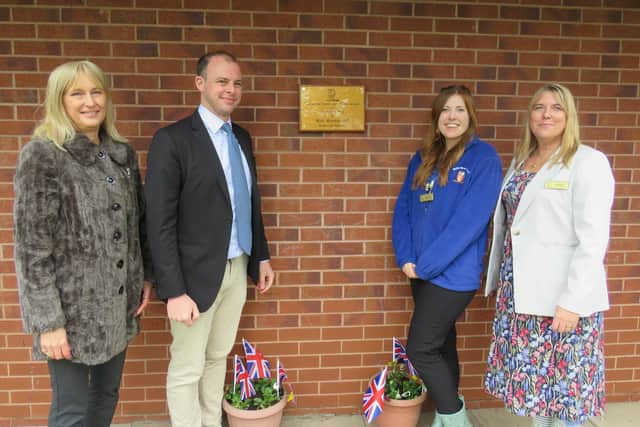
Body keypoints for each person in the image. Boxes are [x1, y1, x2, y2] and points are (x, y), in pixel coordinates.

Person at [13, 60, 152, 427]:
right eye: (77, 93)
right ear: (59, 101)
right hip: (70, 316)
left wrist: (143, 281)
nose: (90, 101)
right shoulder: (44, 156)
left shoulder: (122, 155)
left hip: (117, 306)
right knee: (71, 412)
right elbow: (32, 251)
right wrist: (48, 323)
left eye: (96, 91)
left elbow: (136, 226)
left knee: (105, 398)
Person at [145, 51, 274, 427]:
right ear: (200, 83)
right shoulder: (172, 140)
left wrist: (260, 257)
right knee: (187, 366)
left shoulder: (242, 139)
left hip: (236, 268)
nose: (231, 90)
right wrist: (173, 290)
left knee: (218, 357)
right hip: (192, 277)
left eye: (237, 83)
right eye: (222, 81)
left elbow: (248, 203)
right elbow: (159, 221)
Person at [483, 83, 615, 427]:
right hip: (522, 294)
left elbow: (593, 239)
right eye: (539, 107)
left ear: (569, 117)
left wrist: (572, 301)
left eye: (557, 108)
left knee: (567, 393)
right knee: (537, 391)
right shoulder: (522, 161)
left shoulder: (587, 162)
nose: (546, 114)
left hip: (563, 298)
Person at [392, 85, 503, 427]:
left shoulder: (483, 158)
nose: (451, 117)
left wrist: (426, 264)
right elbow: (404, 210)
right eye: (445, 110)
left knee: (421, 348)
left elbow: (469, 223)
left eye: (459, 110)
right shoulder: (422, 157)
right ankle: (445, 414)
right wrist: (406, 258)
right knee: (440, 345)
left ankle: (455, 419)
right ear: (436, 117)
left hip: (453, 277)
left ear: (470, 117)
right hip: (420, 272)